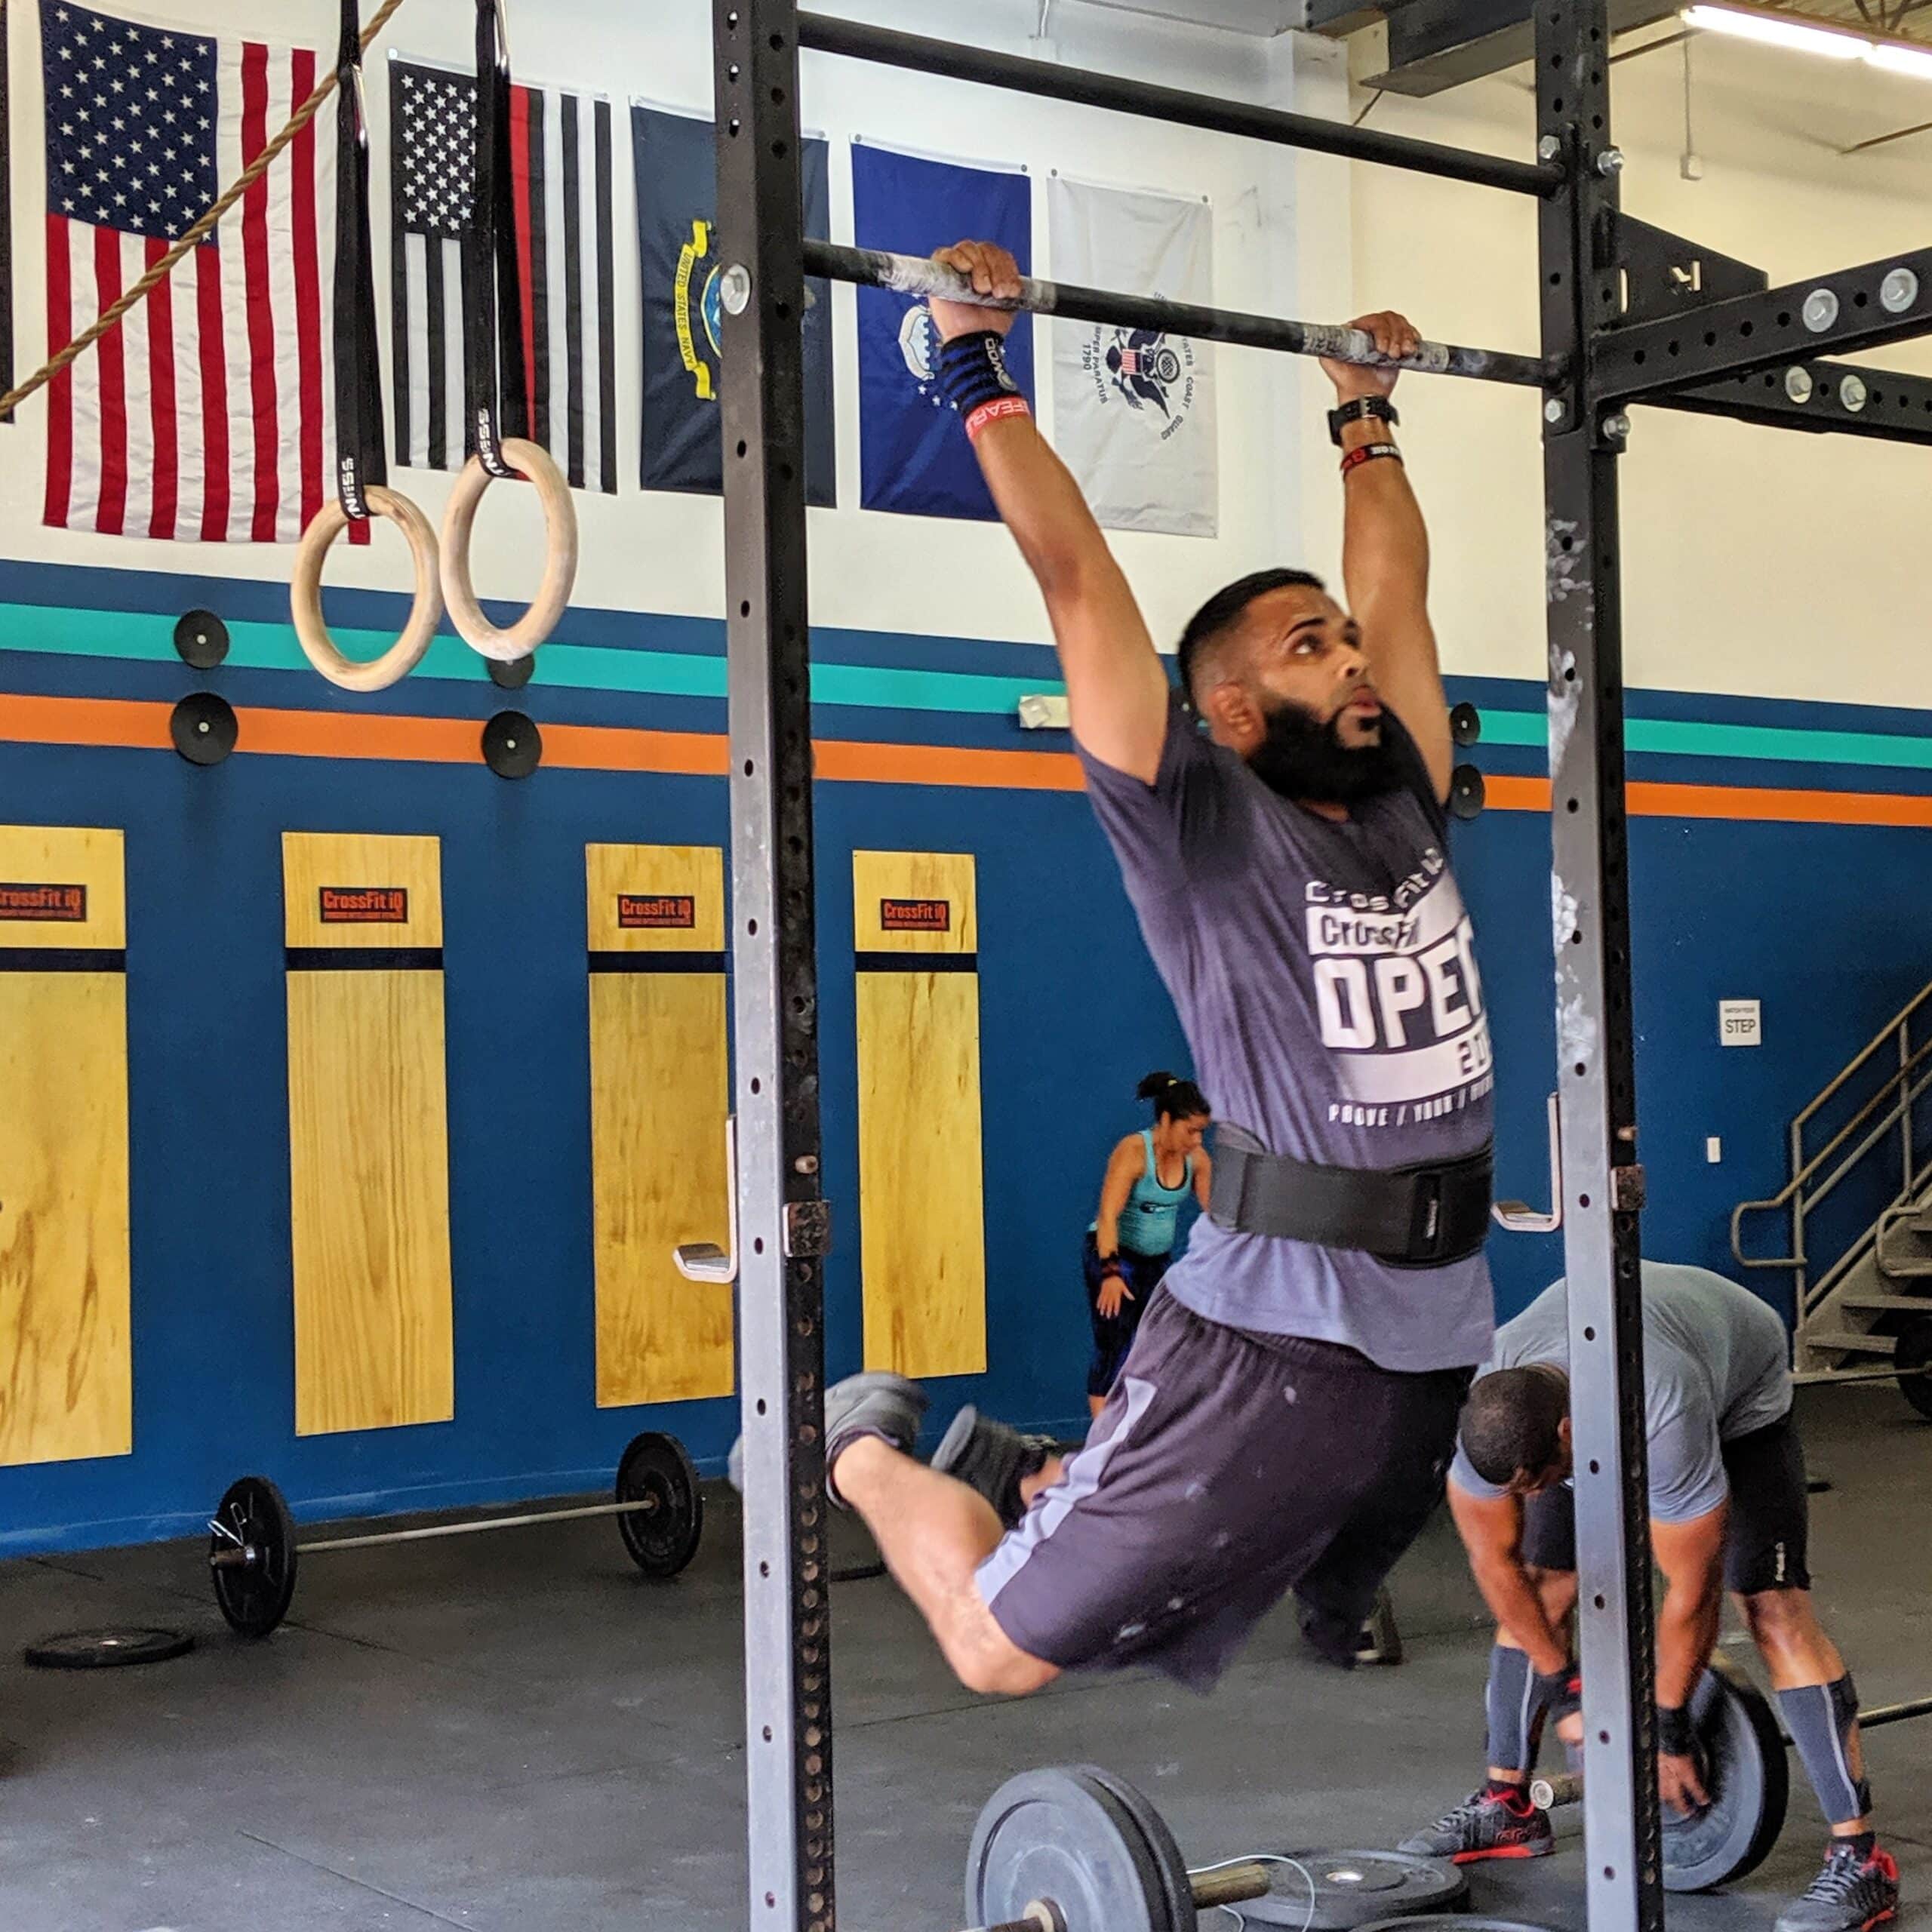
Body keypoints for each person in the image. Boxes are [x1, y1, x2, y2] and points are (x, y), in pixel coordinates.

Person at [737, 239, 1497, 1697]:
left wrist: (1364, 411)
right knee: (998, 1655)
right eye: (1305, 646)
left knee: (1346, 1595)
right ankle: (857, 1448)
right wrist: (971, 363)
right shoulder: (1199, 823)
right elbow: (1078, 580)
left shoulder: (1402, 793)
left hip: (1423, 1328)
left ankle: (1036, 1484)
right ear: (1224, 702)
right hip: (1266, 1333)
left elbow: (1397, 587)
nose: (1349, 662)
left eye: (1342, 644)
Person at [1401, 1261, 1900, 1932]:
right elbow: (1496, 1566)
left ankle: (1860, 1859)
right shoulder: (1492, 1412)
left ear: (1570, 1434)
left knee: (1771, 1606)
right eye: (1522, 1489)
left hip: (1735, 1384)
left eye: (1545, 1479)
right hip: (1598, 1373)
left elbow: (1692, 1595)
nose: (1540, 1497)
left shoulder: (1664, 1410)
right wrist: (1566, 1690)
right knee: (1545, 1587)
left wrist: (1664, 1729)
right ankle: (1508, 1806)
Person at [1083, 1072, 1213, 1417]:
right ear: (1167, 1120)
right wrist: (1110, 1274)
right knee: (1115, 1346)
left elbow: (1218, 1220)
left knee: (1158, 1346)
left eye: (1202, 1131)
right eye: (1191, 1130)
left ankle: (1141, 1433)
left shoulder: (1197, 1161)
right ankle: (1102, 1447)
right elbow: (1108, 1217)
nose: (1198, 1141)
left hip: (1155, 1263)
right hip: (1112, 1256)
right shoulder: (1134, 1153)